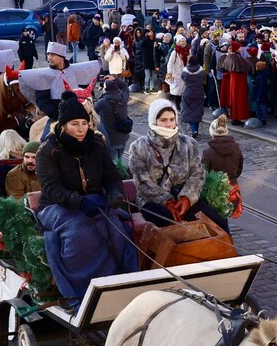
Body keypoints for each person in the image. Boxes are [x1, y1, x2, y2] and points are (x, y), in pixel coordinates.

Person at [36, 91, 136, 306]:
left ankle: (119, 284)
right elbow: (52, 189)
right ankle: (82, 293)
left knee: (119, 230)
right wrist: (79, 202)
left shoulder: (98, 144)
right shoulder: (48, 151)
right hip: (56, 206)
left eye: (84, 123)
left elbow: (111, 175)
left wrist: (114, 193)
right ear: (63, 126)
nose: (81, 129)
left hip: (93, 200)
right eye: (74, 124)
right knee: (79, 233)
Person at [129, 98, 225, 234]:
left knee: (217, 220)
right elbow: (143, 182)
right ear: (153, 121)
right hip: (152, 201)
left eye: (171, 119)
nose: (168, 124)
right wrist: (167, 202)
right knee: (166, 221)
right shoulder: (139, 147)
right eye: (163, 120)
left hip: (184, 196)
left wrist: (186, 198)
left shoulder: (188, 144)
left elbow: (197, 174)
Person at [94, 77, 132, 160]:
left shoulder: (102, 103)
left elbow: (95, 106)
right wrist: (115, 78)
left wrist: (103, 94)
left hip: (111, 139)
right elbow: (125, 86)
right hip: (123, 137)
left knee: (112, 164)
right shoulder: (124, 96)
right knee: (120, 161)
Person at [202, 115, 243, 183]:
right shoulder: (236, 148)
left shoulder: (208, 152)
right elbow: (239, 168)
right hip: (232, 186)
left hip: (214, 188)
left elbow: (204, 172)